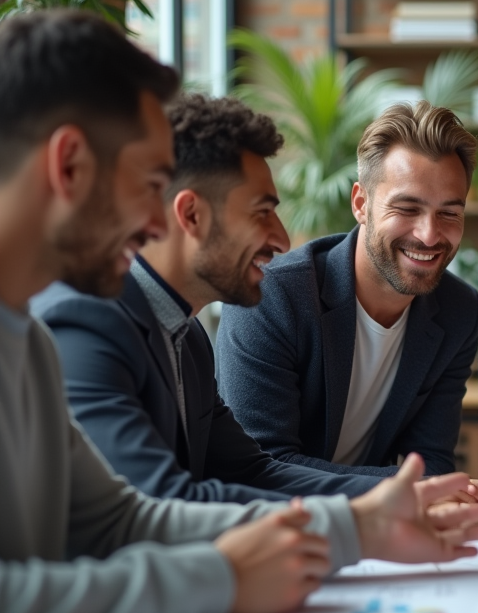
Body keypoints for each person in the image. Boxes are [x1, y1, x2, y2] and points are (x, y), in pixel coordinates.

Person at [0, 10, 478, 613]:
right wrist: (226, 576)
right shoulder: (74, 322)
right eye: (147, 186)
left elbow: (119, 518)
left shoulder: (37, 340)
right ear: (69, 165)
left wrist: (361, 525)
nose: (154, 222)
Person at [32, 94, 389, 502]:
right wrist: (356, 522)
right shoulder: (85, 321)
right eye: (261, 212)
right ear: (191, 215)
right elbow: (158, 501)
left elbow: (252, 472)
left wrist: (403, 493)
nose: (281, 239)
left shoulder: (189, 336)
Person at [217, 102, 478, 480]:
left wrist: (428, 488)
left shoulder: (458, 309)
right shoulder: (272, 294)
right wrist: (413, 488)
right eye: (407, 209)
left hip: (373, 527)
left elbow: (430, 460)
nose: (429, 234)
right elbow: (260, 466)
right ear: (361, 203)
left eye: (449, 213)